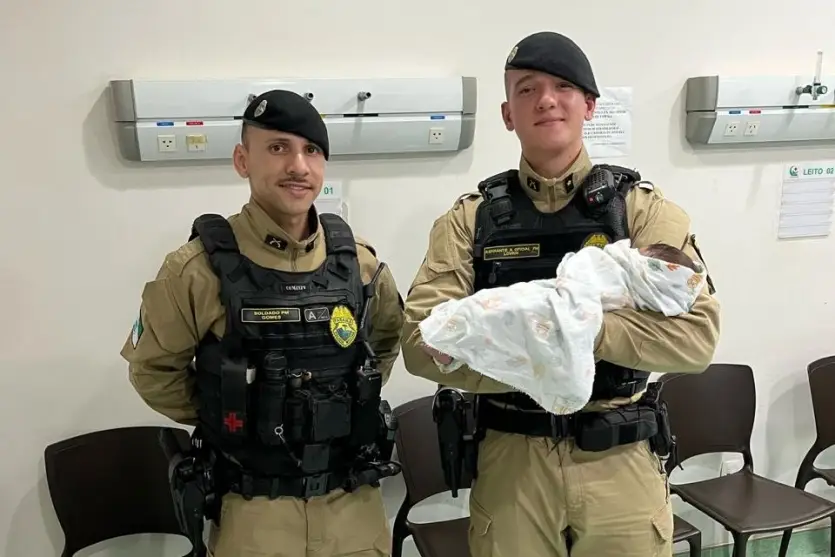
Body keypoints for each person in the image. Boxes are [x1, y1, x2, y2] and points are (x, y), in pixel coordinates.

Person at [401, 31, 721, 557]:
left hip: (619, 460)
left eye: (563, 87)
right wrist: (545, 360)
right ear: (508, 114)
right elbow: (420, 342)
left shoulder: (640, 212)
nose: (546, 100)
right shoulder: (470, 221)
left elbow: (697, 338)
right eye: (527, 89)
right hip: (513, 465)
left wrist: (577, 330)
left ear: (589, 104)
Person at [121, 89, 405, 557]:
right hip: (253, 515)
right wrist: (233, 413)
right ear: (242, 160)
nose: (298, 165)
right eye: (278, 147)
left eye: (311, 150)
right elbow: (152, 370)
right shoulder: (196, 269)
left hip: (354, 511)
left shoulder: (359, 264)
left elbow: (387, 339)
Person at [418, 240, 707, 416]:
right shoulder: (473, 212)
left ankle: (450, 338)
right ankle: (447, 336)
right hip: (508, 441)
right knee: (502, 307)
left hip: (620, 446)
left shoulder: (641, 205)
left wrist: (588, 330)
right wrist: (575, 324)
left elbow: (697, 344)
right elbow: (410, 340)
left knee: (508, 315)